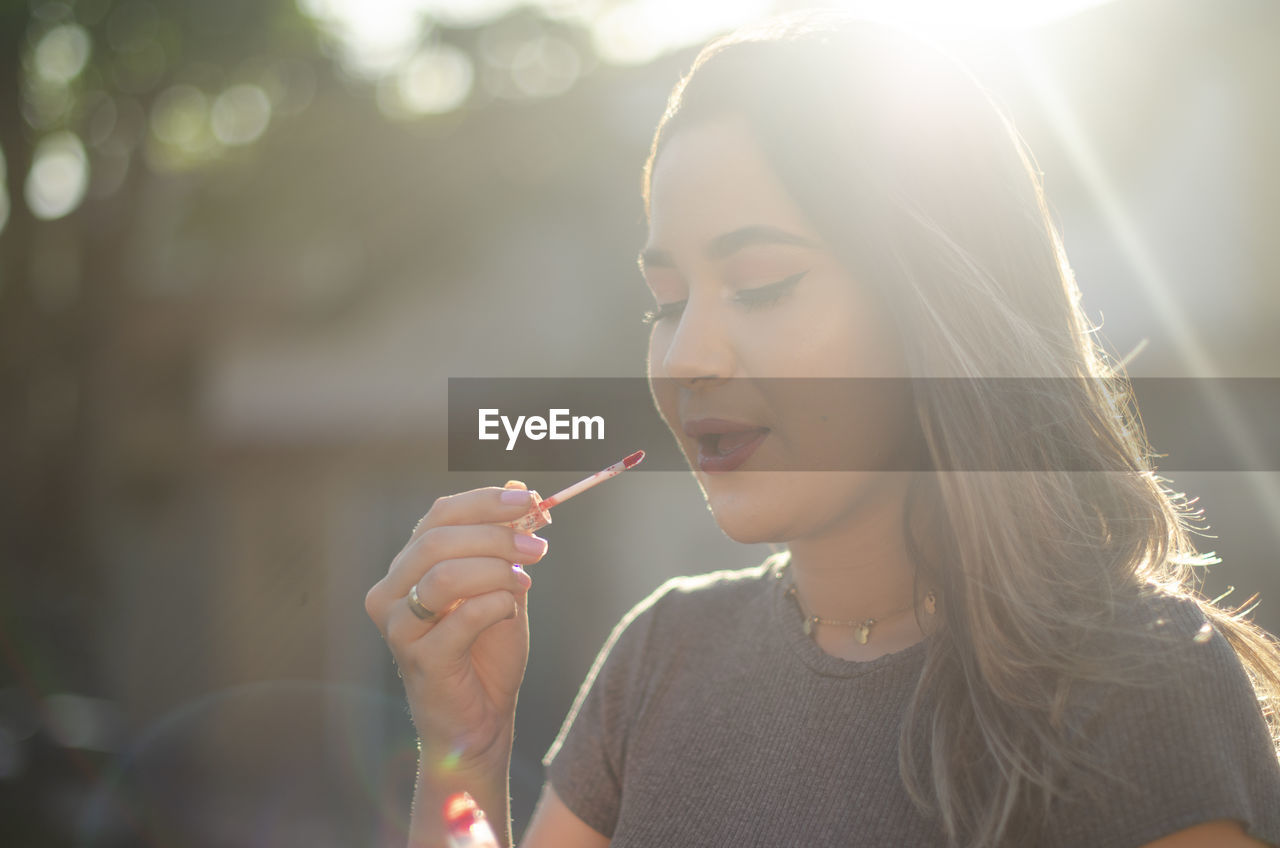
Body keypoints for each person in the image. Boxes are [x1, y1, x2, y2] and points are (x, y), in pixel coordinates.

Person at [364, 11, 1280, 848]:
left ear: (935, 305)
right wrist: (463, 745)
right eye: (666, 301)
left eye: (761, 283)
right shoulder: (663, 659)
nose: (686, 357)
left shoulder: (1142, 688)